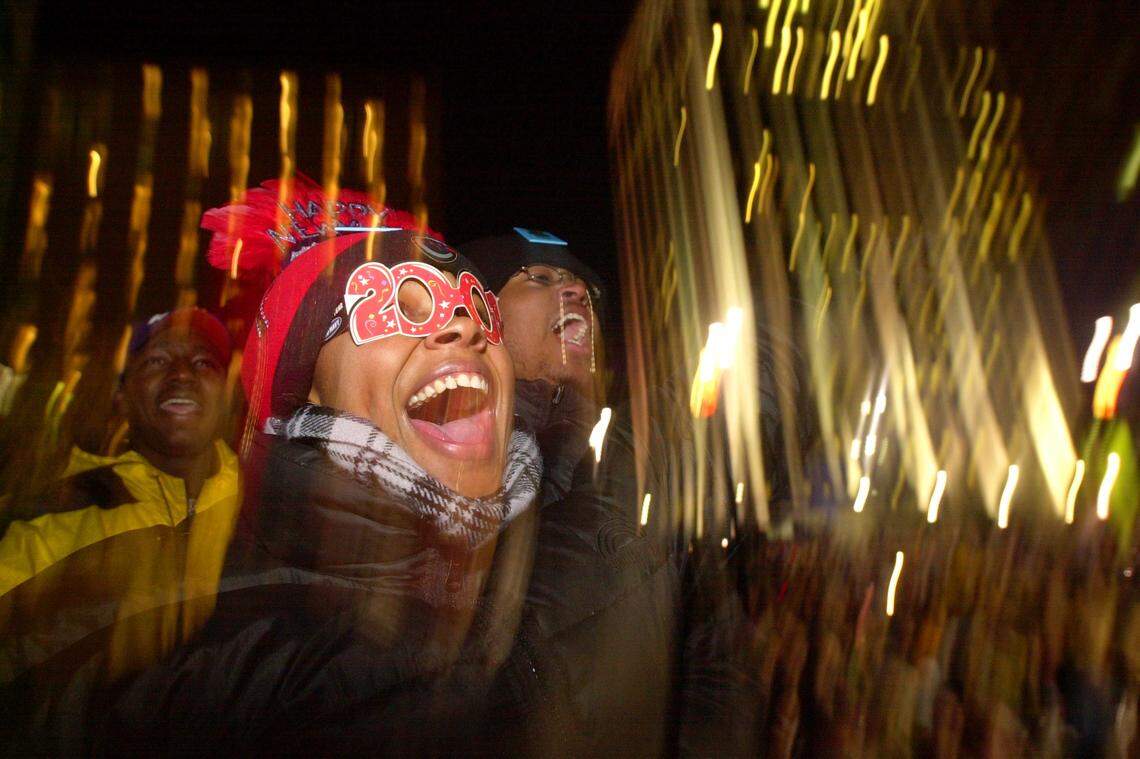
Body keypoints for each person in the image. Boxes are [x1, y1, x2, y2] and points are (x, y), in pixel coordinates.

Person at [31, 177, 543, 755]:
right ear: (308, 388)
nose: (463, 325)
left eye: (476, 304)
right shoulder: (247, 656)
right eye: (394, 304)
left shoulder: (543, 554)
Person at [461, 229, 677, 756]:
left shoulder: (632, 470)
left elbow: (712, 674)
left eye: (584, 288)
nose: (577, 292)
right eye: (540, 277)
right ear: (480, 314)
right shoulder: (449, 478)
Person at [0, 307, 240, 682]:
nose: (181, 373)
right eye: (158, 359)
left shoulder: (267, 502)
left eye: (204, 362)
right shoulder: (59, 513)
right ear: (122, 395)